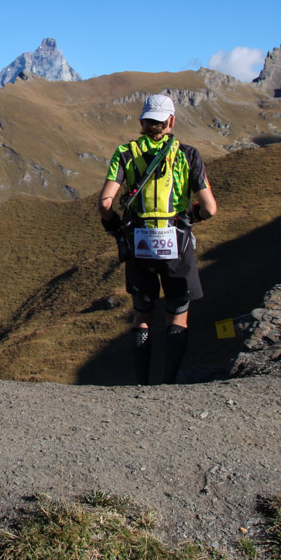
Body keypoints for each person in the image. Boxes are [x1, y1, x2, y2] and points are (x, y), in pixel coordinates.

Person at [98, 94, 217, 384]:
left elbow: (104, 203)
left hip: (139, 241)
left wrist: (114, 225)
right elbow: (210, 209)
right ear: (171, 121)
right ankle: (169, 382)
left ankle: (141, 382)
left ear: (143, 121)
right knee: (177, 315)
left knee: (142, 315)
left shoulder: (125, 152)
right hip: (176, 241)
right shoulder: (189, 154)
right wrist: (192, 218)